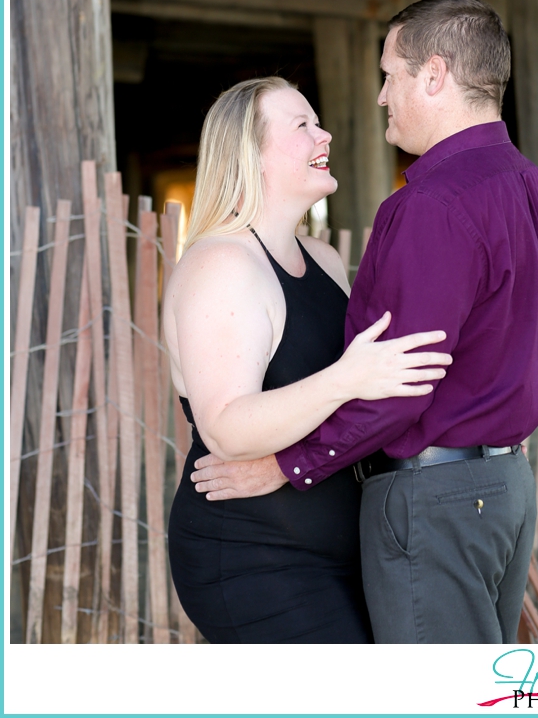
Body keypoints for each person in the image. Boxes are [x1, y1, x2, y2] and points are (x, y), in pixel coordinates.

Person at [190, 0, 538, 646]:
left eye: (390, 73)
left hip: (437, 499)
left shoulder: (428, 204)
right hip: (507, 486)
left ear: (434, 74)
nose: (379, 96)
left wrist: (290, 464)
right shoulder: (535, 186)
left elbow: (398, 381)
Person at [164, 77, 452, 644]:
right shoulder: (223, 263)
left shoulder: (321, 257)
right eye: (302, 126)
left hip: (343, 555)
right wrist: (347, 378)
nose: (324, 134)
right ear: (253, 156)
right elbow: (226, 427)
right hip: (255, 559)